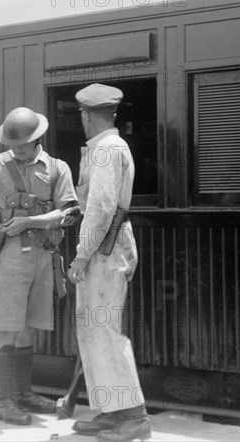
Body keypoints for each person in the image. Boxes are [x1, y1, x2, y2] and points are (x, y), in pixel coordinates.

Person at [0, 107, 79, 426]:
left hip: (44, 254)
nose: (17, 149)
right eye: (12, 144)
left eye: (23, 143)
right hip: (11, 254)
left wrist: (32, 220)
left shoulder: (57, 168)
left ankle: (23, 393)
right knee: (8, 328)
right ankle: (4, 399)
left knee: (28, 328)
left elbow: (69, 212)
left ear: (37, 137)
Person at [67, 83, 151, 441]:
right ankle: (110, 411)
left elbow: (101, 210)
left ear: (86, 115)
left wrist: (80, 256)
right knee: (93, 330)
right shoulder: (107, 147)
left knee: (104, 331)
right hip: (108, 244)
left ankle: (133, 417)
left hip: (103, 247)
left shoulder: (106, 150)